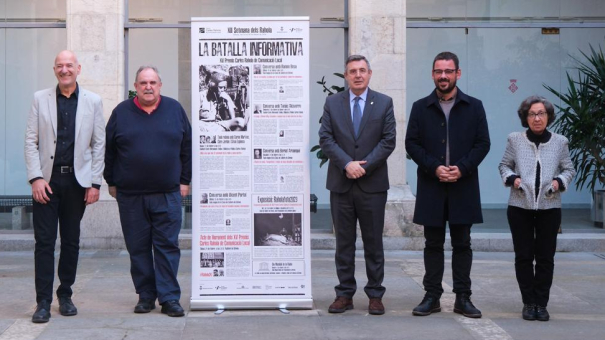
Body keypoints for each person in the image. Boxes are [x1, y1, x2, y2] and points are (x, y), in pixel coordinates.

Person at [405, 51, 490, 318]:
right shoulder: (421, 107)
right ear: (432, 74)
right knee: (432, 244)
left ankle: (463, 298)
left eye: (448, 71)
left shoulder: (474, 106)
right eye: (439, 71)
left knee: (462, 244)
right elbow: (411, 143)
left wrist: (462, 168)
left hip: (463, 186)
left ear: (458, 74)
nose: (443, 76)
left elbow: (483, 143)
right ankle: (432, 296)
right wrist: (434, 167)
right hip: (432, 185)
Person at [24, 50, 105, 323]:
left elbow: (98, 145)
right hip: (46, 183)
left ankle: (66, 294)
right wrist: (35, 178)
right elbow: (31, 141)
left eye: (69, 65)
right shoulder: (40, 98)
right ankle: (43, 302)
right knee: (44, 243)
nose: (64, 69)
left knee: (71, 242)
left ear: (78, 68)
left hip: (77, 183)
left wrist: (95, 183)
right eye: (60, 65)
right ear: (54, 69)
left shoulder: (93, 101)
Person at [104, 65, 191, 317]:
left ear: (160, 85)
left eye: (152, 82)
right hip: (131, 196)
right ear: (136, 86)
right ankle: (145, 296)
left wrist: (185, 180)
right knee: (138, 247)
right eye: (143, 83)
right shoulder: (121, 112)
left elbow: (187, 146)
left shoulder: (174, 109)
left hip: (168, 193)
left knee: (167, 246)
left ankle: (169, 298)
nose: (148, 87)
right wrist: (111, 181)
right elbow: (109, 150)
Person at [319, 54, 396, 315]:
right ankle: (344, 294)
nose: (358, 75)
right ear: (347, 75)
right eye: (352, 71)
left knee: (374, 243)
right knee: (344, 243)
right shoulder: (333, 102)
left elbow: (388, 141)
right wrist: (346, 164)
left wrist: (363, 166)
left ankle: (375, 294)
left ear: (370, 74)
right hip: (341, 184)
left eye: (362, 70)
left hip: (372, 185)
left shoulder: (384, 103)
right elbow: (326, 138)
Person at [498, 96, 575, 321]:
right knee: (523, 256)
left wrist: (558, 182)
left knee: (545, 258)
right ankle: (528, 302)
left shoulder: (560, 141)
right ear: (526, 117)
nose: (537, 118)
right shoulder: (515, 139)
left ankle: (541, 304)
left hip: (550, 207)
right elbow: (504, 165)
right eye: (532, 114)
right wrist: (513, 179)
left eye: (541, 113)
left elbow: (568, 169)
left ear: (548, 116)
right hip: (519, 206)